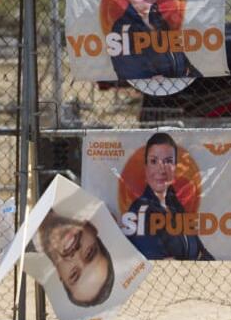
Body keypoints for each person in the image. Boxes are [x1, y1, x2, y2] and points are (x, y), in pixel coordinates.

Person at [109, 0, 200, 82]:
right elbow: (133, 72)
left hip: (177, 91)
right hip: (151, 96)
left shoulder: (161, 22)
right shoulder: (121, 28)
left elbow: (185, 64)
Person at [126, 132, 213, 260]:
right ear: (145, 168)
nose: (161, 169)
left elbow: (200, 250)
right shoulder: (140, 210)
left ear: (175, 167)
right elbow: (159, 262)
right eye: (154, 161)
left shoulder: (174, 204)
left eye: (168, 161)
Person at [35, 209, 114, 308]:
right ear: (92, 229)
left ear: (59, 274)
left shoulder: (17, 238)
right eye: (89, 253)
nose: (76, 255)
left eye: (74, 274)